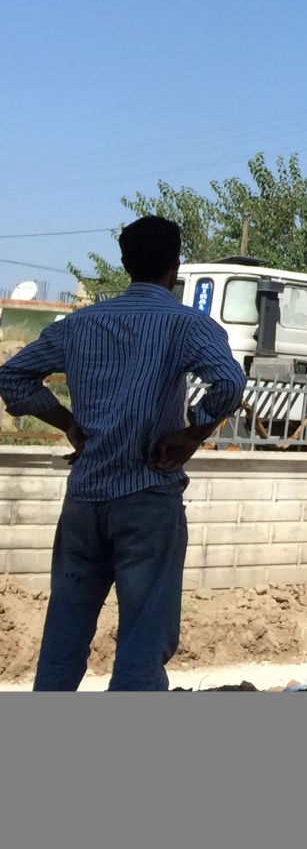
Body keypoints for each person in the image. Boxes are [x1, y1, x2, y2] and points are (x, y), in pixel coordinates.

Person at [0, 215, 246, 690]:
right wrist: (193, 434)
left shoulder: (80, 323)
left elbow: (12, 376)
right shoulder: (187, 324)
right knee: (141, 645)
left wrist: (67, 423)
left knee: (63, 635)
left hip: (84, 499)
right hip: (147, 496)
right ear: (175, 267)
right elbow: (230, 383)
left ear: (125, 263)